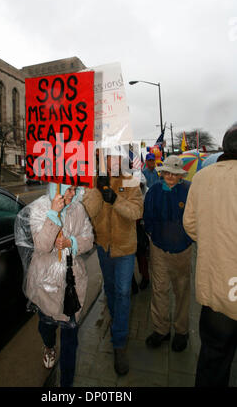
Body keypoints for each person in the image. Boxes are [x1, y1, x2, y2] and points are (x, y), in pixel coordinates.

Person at [14, 182, 93, 388]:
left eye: (75, 189)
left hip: (71, 284)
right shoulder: (40, 208)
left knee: (70, 337)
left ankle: (66, 385)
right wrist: (53, 215)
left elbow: (89, 238)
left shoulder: (78, 208)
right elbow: (41, 246)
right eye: (68, 189)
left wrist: (72, 242)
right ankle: (49, 345)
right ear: (55, 188)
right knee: (46, 324)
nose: (72, 194)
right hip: (45, 284)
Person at [183, 124, 237, 387]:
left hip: (217, 289)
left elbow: (190, 225)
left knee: (213, 361)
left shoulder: (202, 178)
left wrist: (214, 240)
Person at [82, 146, 144, 375]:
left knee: (123, 291)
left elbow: (137, 211)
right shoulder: (95, 180)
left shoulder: (130, 181)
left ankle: (119, 343)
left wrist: (115, 199)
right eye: (108, 157)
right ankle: (117, 321)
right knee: (110, 289)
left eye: (117, 157)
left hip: (125, 249)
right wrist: (98, 190)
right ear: (102, 159)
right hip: (103, 247)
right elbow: (89, 210)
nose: (113, 161)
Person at [143, 155, 193, 352]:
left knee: (182, 292)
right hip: (159, 250)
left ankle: (181, 331)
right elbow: (148, 216)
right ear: (162, 172)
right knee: (159, 290)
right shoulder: (154, 190)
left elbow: (194, 218)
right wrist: (154, 235)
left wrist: (188, 239)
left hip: (183, 251)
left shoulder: (188, 190)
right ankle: (161, 329)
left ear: (180, 175)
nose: (170, 176)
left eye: (175, 173)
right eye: (167, 172)